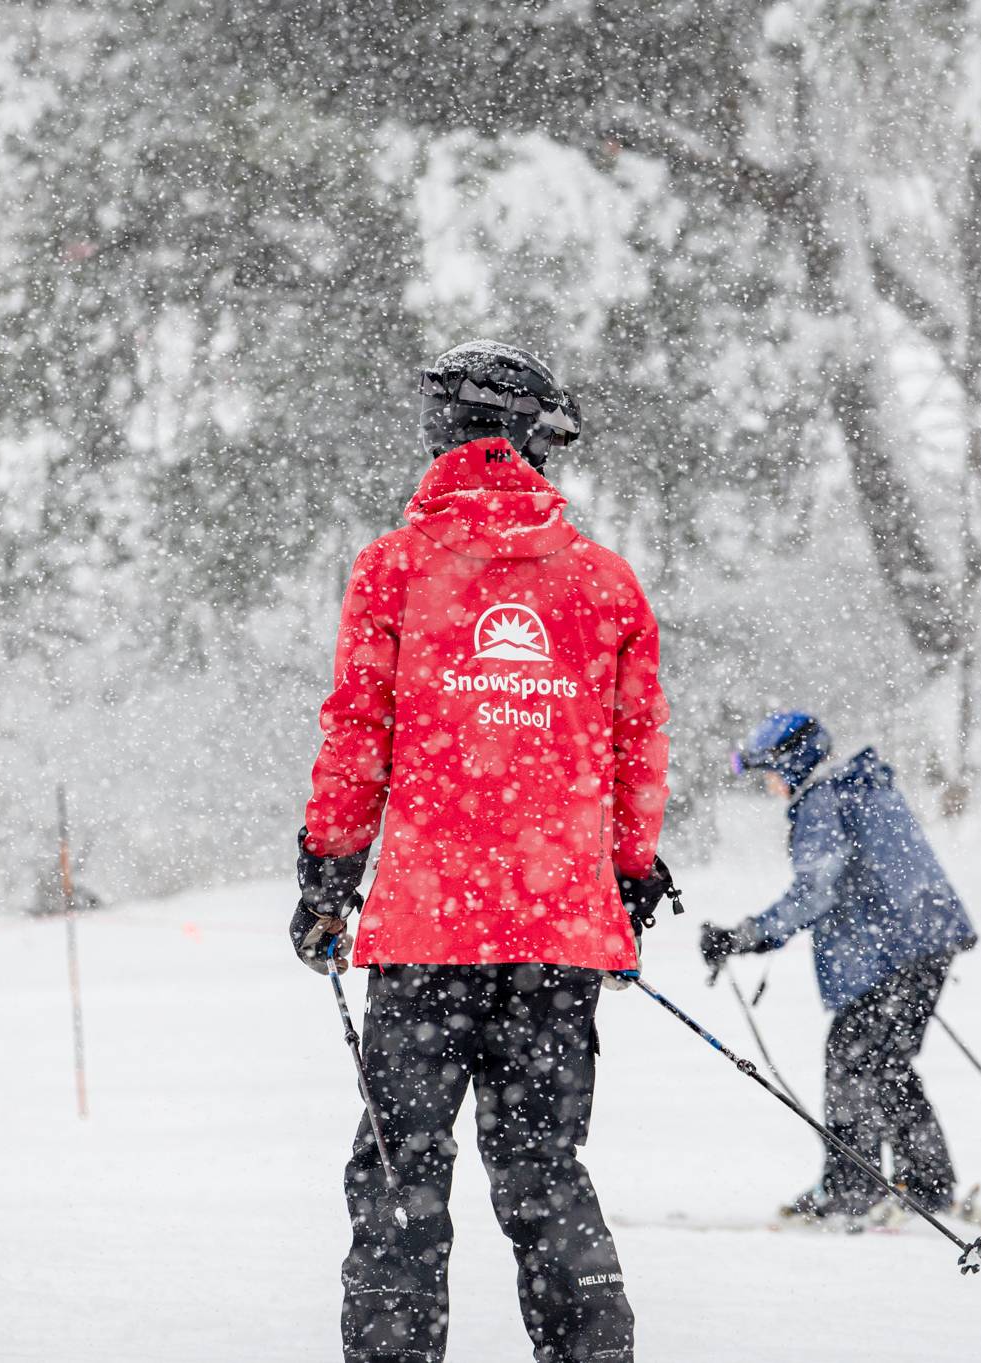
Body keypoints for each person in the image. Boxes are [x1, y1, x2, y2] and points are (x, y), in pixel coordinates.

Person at [289, 340, 673, 1363]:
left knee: (400, 1171)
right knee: (544, 1170)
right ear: (534, 441)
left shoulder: (393, 569)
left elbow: (356, 738)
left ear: (447, 435)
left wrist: (327, 876)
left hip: (425, 935)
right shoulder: (604, 584)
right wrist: (629, 874)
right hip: (557, 935)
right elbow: (638, 751)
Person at [701, 711, 977, 1221]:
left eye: (770, 772)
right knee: (883, 1063)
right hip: (922, 942)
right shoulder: (861, 786)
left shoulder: (824, 799)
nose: (771, 786)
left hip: (892, 950)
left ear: (792, 761)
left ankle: (854, 1190)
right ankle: (927, 1183)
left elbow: (816, 890)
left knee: (852, 1060)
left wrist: (746, 935)